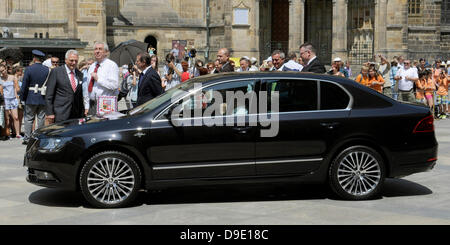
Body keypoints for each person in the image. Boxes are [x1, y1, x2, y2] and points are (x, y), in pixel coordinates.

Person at [45, 50, 84, 123]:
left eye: (76, 61)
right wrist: (50, 113)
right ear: (66, 60)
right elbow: (49, 94)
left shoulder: (80, 74)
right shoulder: (56, 72)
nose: (74, 63)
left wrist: (82, 113)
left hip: (75, 115)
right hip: (60, 113)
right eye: (71, 60)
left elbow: (79, 96)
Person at [20, 49, 49, 145]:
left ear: (34, 58)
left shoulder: (29, 69)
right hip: (42, 97)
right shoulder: (47, 70)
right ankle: (39, 137)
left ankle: (27, 138)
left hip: (31, 96)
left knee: (28, 118)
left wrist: (22, 98)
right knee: (41, 118)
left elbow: (24, 85)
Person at [85, 42, 120, 116]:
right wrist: (87, 106)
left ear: (106, 52)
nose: (97, 51)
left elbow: (114, 85)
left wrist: (98, 80)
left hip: (106, 103)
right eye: (95, 49)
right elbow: (88, 88)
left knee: (105, 126)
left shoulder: (112, 65)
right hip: (92, 104)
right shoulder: (92, 67)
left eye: (100, 49)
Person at [0, 64, 21, 139]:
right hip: (5, 100)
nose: (2, 72)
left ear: (6, 69)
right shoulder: (0, 79)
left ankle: (17, 133)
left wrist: (16, 97)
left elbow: (16, 88)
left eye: (3, 70)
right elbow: (1, 91)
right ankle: (7, 134)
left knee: (16, 117)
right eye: (0, 71)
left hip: (13, 99)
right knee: (7, 119)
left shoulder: (12, 77)